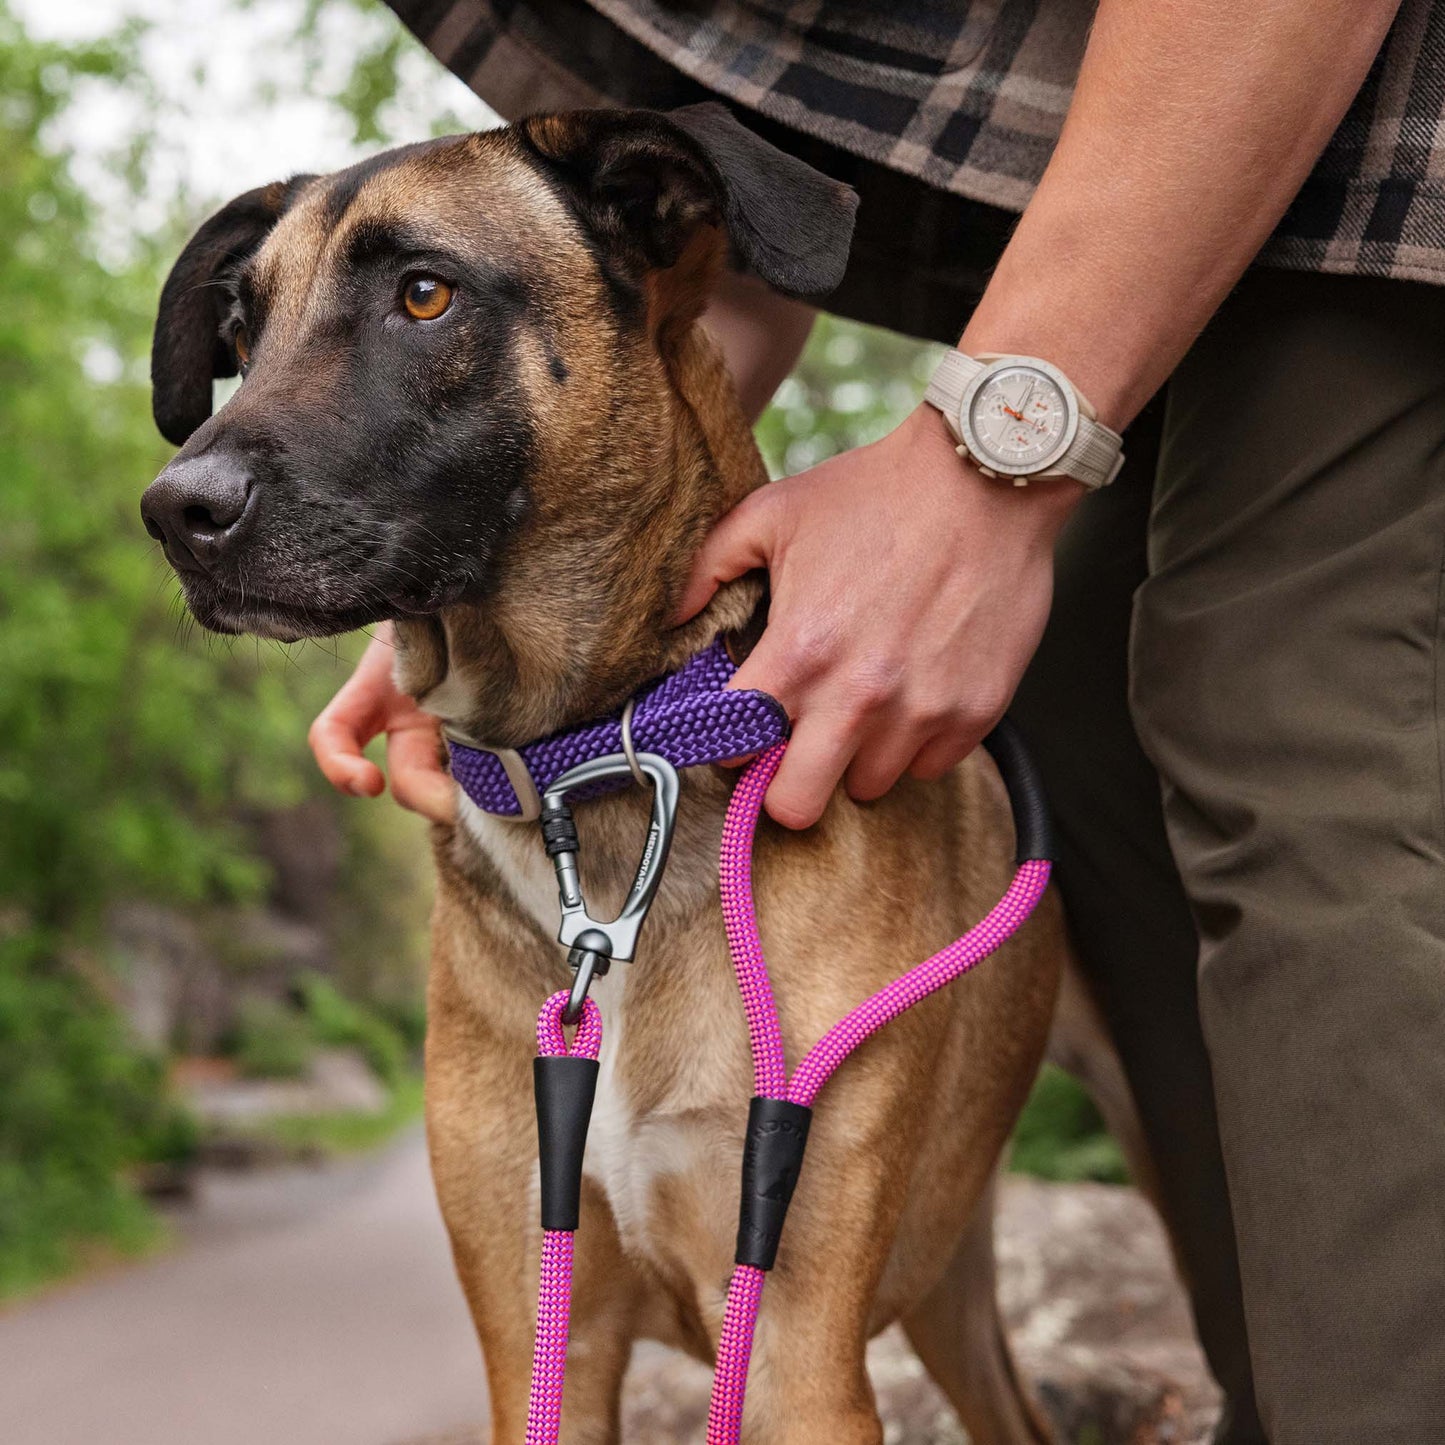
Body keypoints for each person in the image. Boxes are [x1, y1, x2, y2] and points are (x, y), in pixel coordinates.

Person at [309, 4, 1445, 1441]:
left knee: (1273, 695)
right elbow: (708, 258)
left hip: (1373, 129)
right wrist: (515, 596)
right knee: (1093, 736)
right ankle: (1289, 1390)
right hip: (1083, 166)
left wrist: (994, 452)